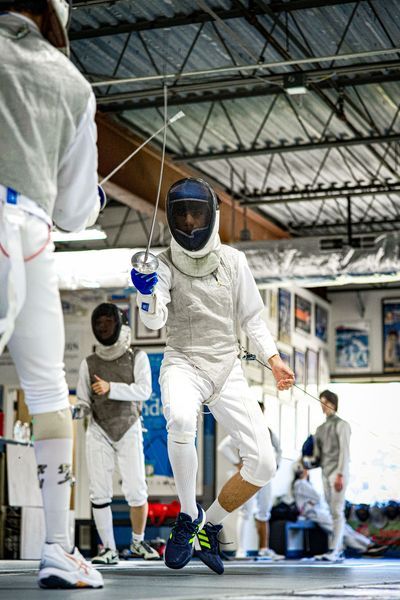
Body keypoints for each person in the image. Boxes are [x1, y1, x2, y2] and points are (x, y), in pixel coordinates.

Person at [131, 177, 295, 574]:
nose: (189, 221)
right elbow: (155, 321)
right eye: (182, 213)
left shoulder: (234, 261)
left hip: (227, 367)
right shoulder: (165, 262)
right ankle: (188, 516)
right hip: (183, 362)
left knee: (264, 463)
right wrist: (147, 293)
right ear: (171, 218)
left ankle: (212, 522)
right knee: (182, 420)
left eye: (196, 212)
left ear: (212, 215)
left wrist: (274, 360)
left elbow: (252, 319)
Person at [0, 0, 104, 589]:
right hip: (31, 232)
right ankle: (59, 550)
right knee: (46, 392)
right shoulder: (72, 83)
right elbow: (75, 209)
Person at [74, 303, 159, 564]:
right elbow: (83, 398)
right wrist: (78, 409)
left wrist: (111, 388)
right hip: (98, 429)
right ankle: (108, 549)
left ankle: (137, 542)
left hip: (129, 426)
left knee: (136, 489)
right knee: (99, 491)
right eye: (99, 324)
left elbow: (144, 391)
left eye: (107, 322)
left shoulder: (137, 357)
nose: (103, 327)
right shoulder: (89, 363)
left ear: (119, 324)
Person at [292, 462, 386, 557]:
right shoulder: (300, 484)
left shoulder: (309, 483)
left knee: (345, 529)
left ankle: (369, 544)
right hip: (315, 514)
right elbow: (318, 497)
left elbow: (317, 498)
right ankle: (365, 547)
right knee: (340, 531)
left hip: (322, 512)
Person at [218, 430, 284, 560]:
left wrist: (276, 465)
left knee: (264, 511)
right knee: (245, 511)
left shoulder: (268, 431)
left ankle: (263, 549)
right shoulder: (243, 429)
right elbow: (222, 447)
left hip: (265, 475)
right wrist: (237, 462)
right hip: (248, 474)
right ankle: (241, 550)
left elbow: (279, 450)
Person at [305, 390, 351, 562]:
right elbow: (318, 457)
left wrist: (340, 474)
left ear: (332, 403)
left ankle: (336, 549)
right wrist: (306, 461)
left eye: (325, 402)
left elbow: (344, 453)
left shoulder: (342, 425)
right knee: (332, 512)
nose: (322, 406)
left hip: (338, 474)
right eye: (321, 402)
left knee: (337, 511)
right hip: (325, 473)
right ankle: (336, 548)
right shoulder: (320, 428)